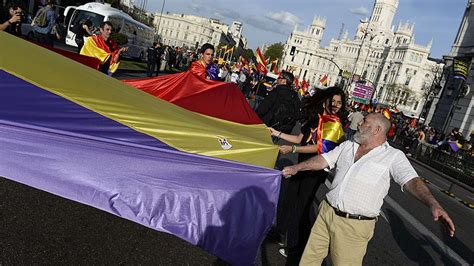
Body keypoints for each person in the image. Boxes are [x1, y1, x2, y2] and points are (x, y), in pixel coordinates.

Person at [282, 113, 455, 265]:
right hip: (326, 213)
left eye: (364, 121)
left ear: (377, 130)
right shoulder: (349, 145)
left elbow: (411, 181)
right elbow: (323, 160)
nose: (358, 123)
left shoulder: (393, 156)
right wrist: (297, 168)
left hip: (354, 226)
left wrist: (433, 203)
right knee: (308, 260)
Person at [269, 87, 346, 262]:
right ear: (325, 100)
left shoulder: (334, 123)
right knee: (290, 201)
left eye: (339, 103)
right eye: (333, 101)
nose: (335, 105)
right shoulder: (315, 119)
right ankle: (283, 234)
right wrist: (276, 133)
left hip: (314, 171)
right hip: (301, 166)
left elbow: (319, 149)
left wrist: (293, 149)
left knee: (302, 209)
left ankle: (298, 249)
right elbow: (299, 139)